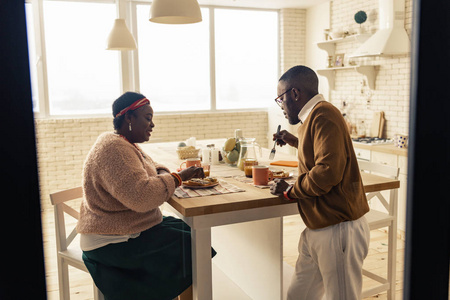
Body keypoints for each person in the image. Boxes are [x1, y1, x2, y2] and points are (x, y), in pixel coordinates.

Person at [77, 91, 213, 300]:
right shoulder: (115, 148)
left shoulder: (122, 142)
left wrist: (166, 174)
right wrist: (178, 177)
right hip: (111, 242)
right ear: (129, 118)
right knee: (193, 248)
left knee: (192, 236)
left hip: (124, 227)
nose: (152, 124)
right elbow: (143, 197)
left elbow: (150, 166)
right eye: (147, 118)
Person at [269, 66, 370, 300]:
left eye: (280, 99)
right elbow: (321, 154)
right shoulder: (313, 117)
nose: (281, 106)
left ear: (295, 94)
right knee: (298, 295)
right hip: (318, 226)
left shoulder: (324, 114)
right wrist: (295, 141)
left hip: (337, 228)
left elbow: (327, 172)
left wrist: (291, 191)